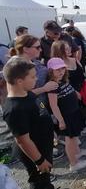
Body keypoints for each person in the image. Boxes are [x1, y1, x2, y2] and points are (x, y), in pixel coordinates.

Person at [2, 57, 55, 189]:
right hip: (34, 152)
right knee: (39, 181)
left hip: (42, 144)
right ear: (19, 81)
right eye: (32, 77)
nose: (36, 79)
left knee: (46, 178)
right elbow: (23, 140)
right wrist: (39, 160)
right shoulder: (15, 109)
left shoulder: (26, 93)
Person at [46, 58, 86, 172]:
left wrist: (77, 94)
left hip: (74, 112)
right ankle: (73, 163)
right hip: (66, 116)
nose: (61, 71)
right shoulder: (52, 85)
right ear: (51, 71)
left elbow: (70, 89)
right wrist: (60, 120)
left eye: (62, 68)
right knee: (70, 139)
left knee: (75, 135)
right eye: (57, 69)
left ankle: (78, 152)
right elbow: (54, 105)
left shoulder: (62, 80)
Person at [50, 41, 86, 138]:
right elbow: (62, 82)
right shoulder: (58, 66)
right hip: (69, 92)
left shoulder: (74, 59)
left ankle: (83, 128)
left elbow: (83, 74)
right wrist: (75, 92)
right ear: (59, 51)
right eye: (66, 49)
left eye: (69, 48)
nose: (69, 50)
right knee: (74, 112)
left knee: (85, 109)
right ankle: (77, 132)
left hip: (82, 88)